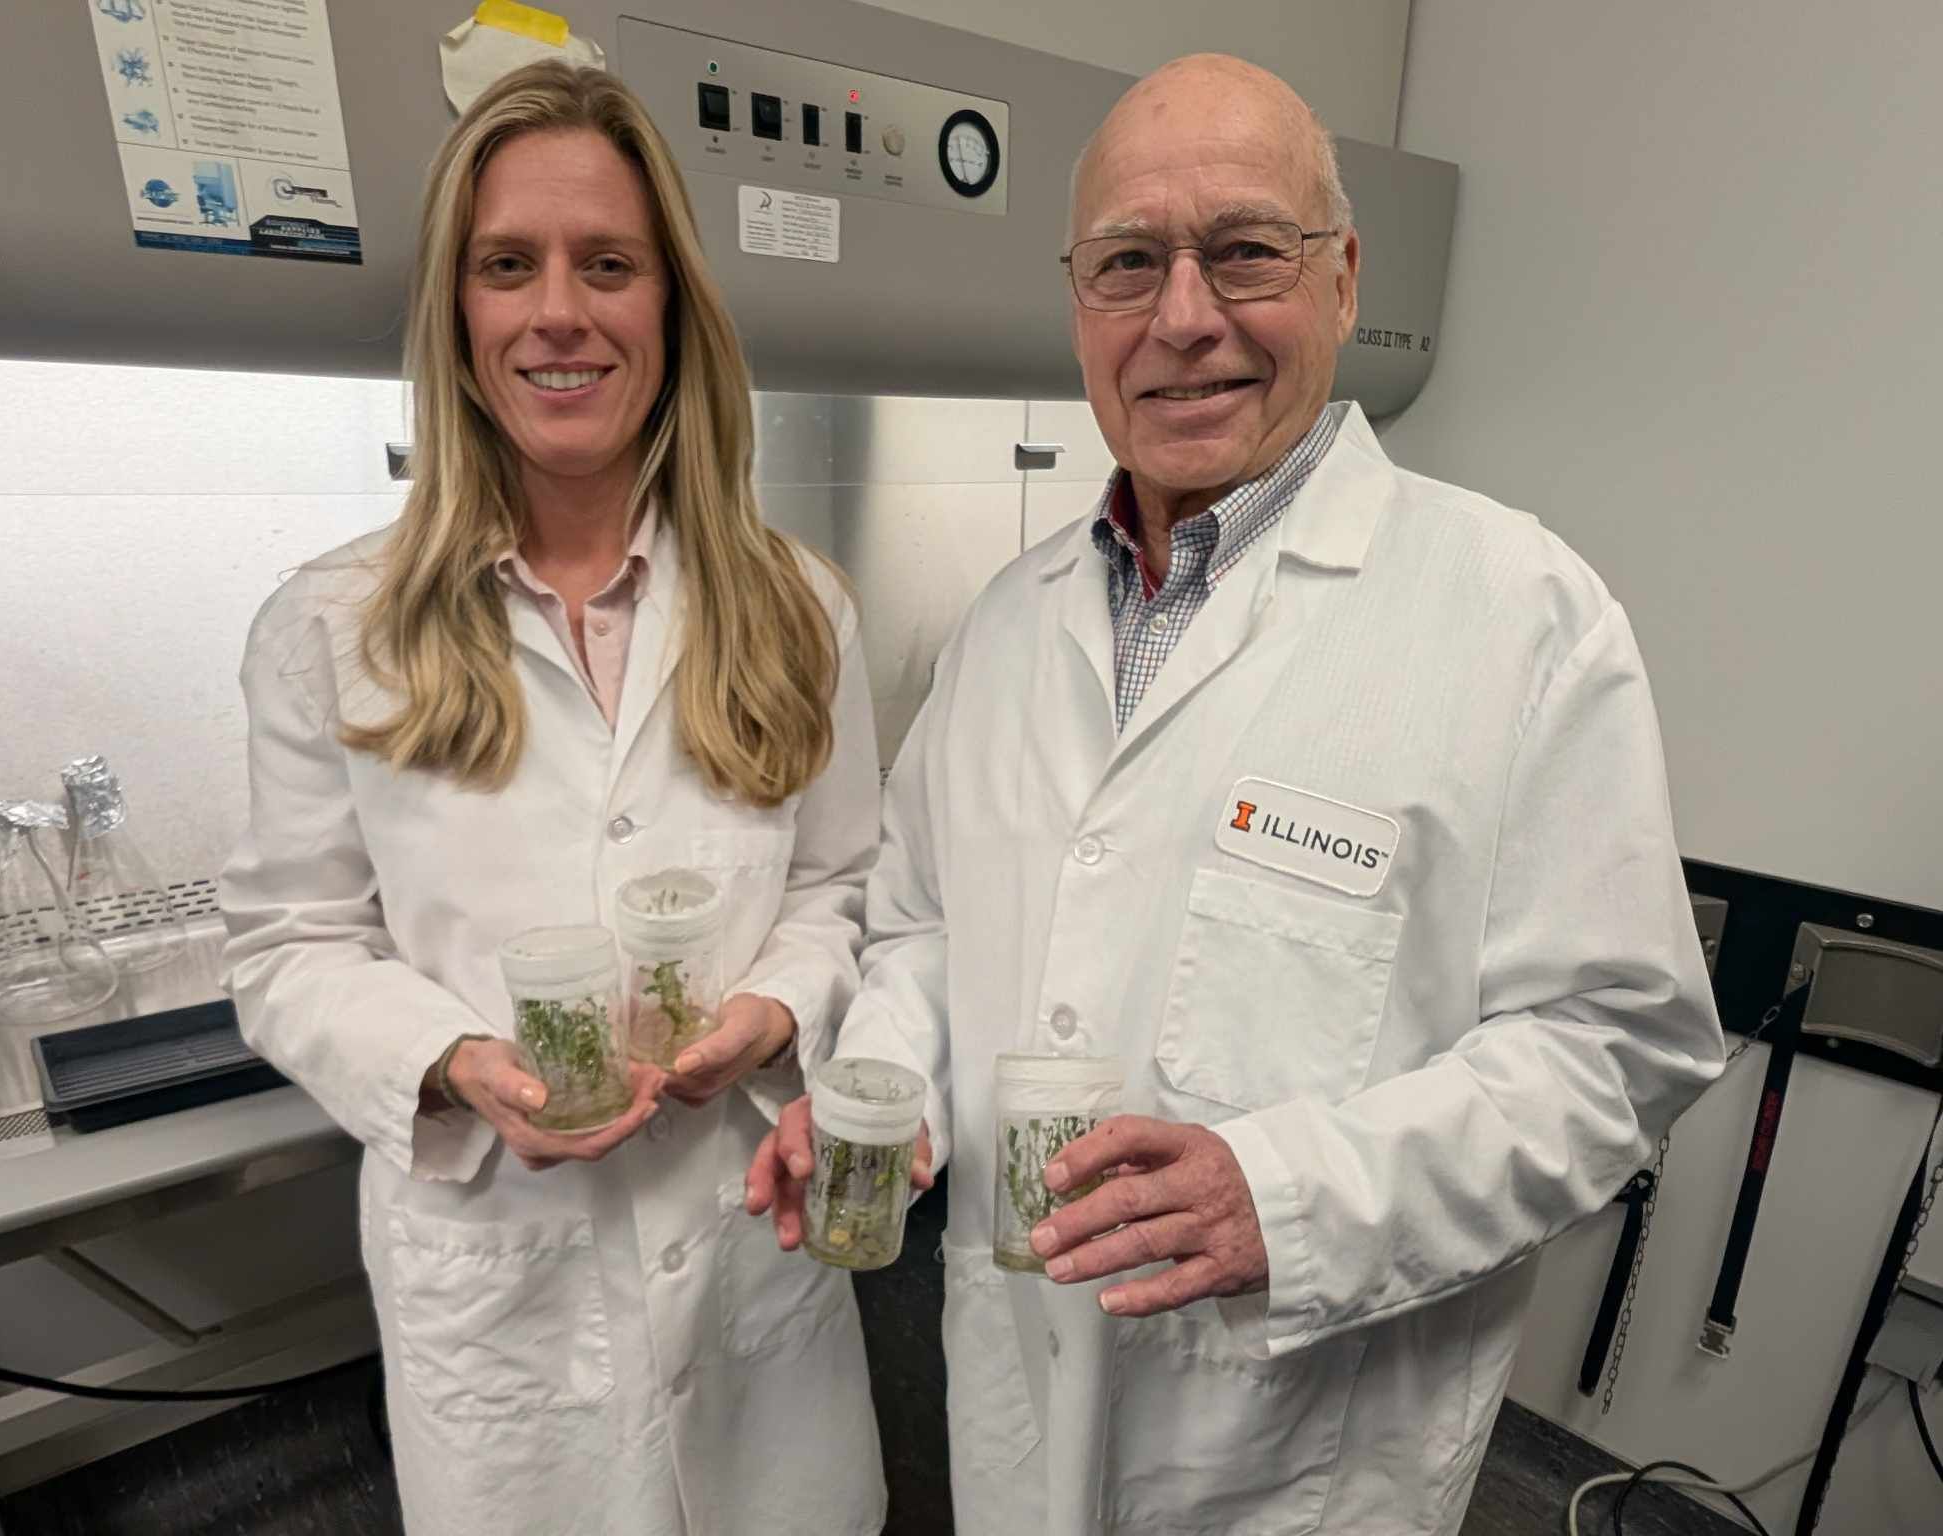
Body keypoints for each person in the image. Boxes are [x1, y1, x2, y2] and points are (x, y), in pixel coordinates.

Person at [749, 52, 1726, 1535]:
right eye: (1129, 264)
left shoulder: (1519, 611)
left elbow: (1618, 1044)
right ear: (1080, 303)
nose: (1184, 317)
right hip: (1019, 1412)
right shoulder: (1007, 627)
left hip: (1299, 1458)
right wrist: (880, 1089)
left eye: (1246, 252)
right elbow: (930, 930)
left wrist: (1289, 1194)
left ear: (1342, 281)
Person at [220, 63, 885, 1536]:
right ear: (459, 318)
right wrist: (459, 1062)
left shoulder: (796, 609)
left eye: (609, 265)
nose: (559, 312)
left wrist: (771, 1012)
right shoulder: (334, 627)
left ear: (671, 308)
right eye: (507, 265)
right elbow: (285, 947)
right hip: (504, 1313)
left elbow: (847, 894)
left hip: (747, 1271)